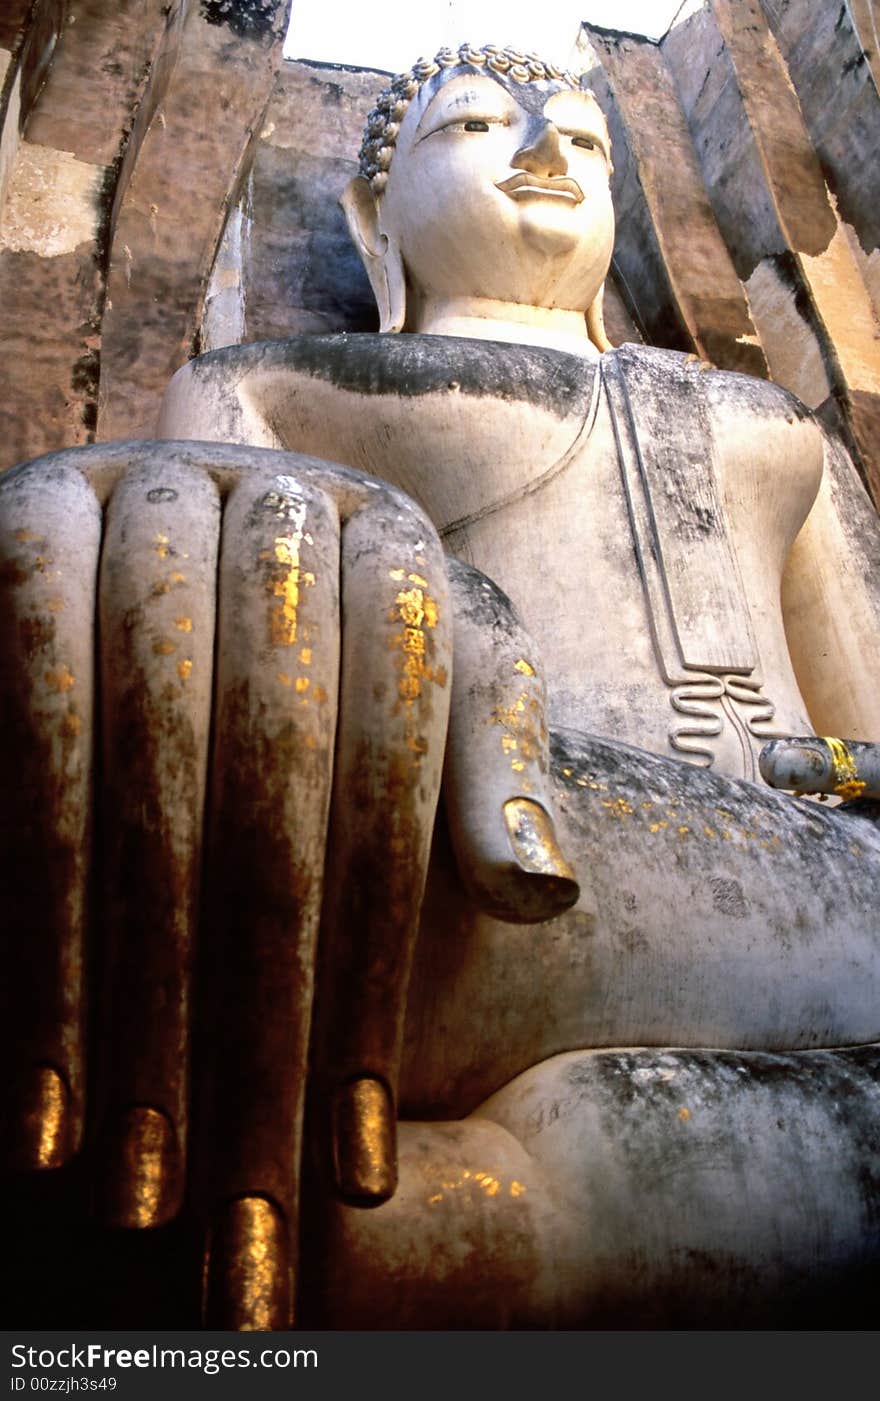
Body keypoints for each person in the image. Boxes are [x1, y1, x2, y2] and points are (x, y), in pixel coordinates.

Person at [2, 43, 879, 1328]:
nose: (541, 151)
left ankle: (495, 1226)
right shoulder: (283, 382)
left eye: (583, 142)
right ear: (373, 215)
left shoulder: (780, 434)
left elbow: (864, 735)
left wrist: (840, 774)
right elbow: (200, 645)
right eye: (474, 123)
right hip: (481, 838)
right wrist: (357, 566)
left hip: (804, 867)